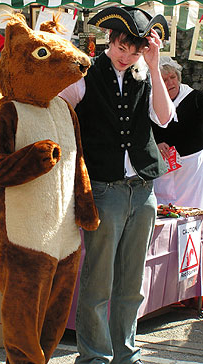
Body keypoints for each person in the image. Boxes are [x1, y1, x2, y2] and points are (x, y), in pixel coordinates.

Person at [60, 7, 174, 364]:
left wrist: (154, 65)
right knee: (98, 281)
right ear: (111, 40)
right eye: (122, 48)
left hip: (142, 190)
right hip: (105, 188)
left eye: (135, 51)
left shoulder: (146, 72)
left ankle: (126, 354)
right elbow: (60, 109)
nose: (127, 57)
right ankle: (94, 357)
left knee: (130, 282)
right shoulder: (85, 73)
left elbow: (165, 118)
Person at [152, 56, 203, 209]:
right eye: (164, 80)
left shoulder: (196, 99)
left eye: (173, 77)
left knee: (192, 211)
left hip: (192, 171)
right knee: (165, 210)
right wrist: (156, 143)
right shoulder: (150, 102)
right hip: (163, 169)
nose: (170, 83)